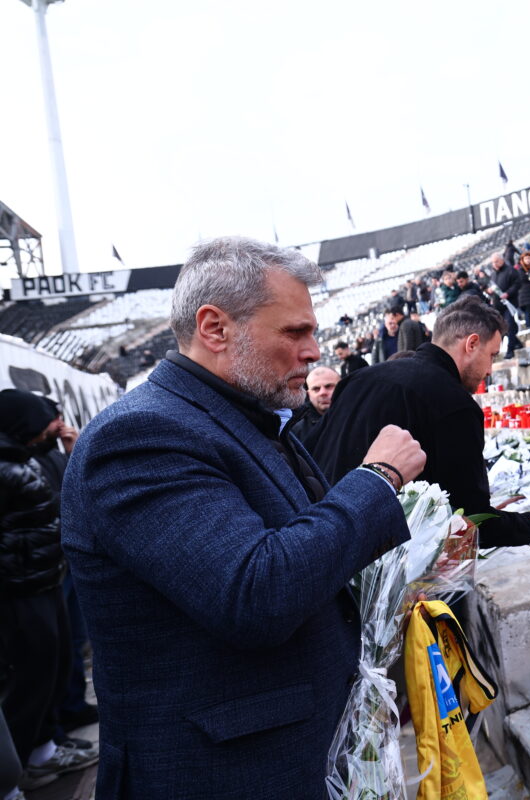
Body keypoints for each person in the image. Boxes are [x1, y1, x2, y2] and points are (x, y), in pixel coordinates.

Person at [60, 236, 428, 799]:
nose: (313, 351)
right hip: (224, 775)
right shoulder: (139, 436)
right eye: (295, 332)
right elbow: (255, 592)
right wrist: (377, 478)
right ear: (215, 329)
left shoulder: (245, 416)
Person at [311, 296, 530, 549]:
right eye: (492, 355)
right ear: (472, 344)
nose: (490, 369)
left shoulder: (360, 378)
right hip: (379, 559)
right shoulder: (453, 403)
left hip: (322, 536)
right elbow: (469, 520)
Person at [0, 390, 99, 793]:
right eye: (44, 420)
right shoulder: (8, 466)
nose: (52, 427)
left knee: (52, 667)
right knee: (31, 676)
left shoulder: (21, 459)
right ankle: (14, 773)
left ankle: (41, 751)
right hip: (19, 588)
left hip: (42, 578)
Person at [284, 365, 339, 448]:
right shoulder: (296, 432)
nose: (322, 392)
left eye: (329, 386)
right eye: (316, 389)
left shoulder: (360, 418)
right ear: (309, 394)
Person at [486, 252, 522, 359]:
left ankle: (510, 349)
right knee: (502, 328)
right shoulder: (493, 274)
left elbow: (518, 283)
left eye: (496, 261)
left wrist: (508, 293)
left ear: (502, 260)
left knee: (509, 325)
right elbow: (493, 287)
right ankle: (517, 343)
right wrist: (490, 291)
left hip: (509, 303)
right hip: (498, 305)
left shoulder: (510, 270)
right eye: (493, 262)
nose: (495, 264)